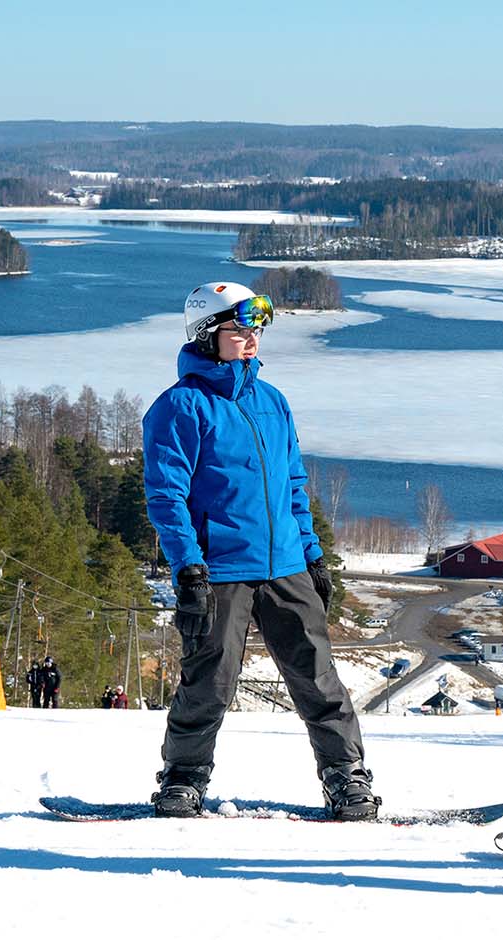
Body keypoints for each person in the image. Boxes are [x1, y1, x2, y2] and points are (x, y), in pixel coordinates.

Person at [141, 280, 379, 821]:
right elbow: (166, 495)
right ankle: (182, 780)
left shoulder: (273, 402)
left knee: (319, 680)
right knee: (209, 683)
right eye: (239, 331)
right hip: (220, 568)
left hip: (287, 565)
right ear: (207, 335)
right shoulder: (180, 407)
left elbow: (294, 484)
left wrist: (313, 554)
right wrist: (188, 568)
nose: (251, 341)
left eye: (256, 331)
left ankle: (347, 778)